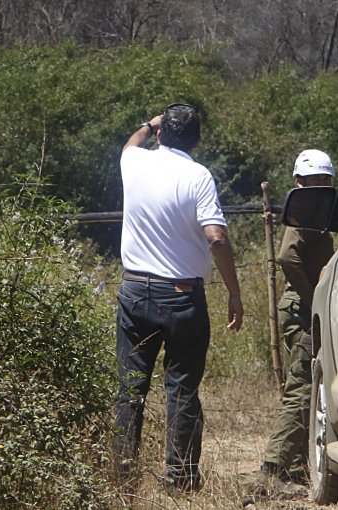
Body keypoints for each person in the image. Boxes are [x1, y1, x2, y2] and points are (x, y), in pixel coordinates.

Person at [114, 103, 244, 493]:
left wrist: (148, 122)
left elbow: (129, 143)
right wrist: (234, 294)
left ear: (159, 134)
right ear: (197, 140)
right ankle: (180, 480)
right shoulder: (198, 176)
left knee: (131, 387)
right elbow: (216, 238)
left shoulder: (134, 163)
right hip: (182, 298)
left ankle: (122, 476)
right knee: (182, 389)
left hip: (135, 292)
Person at [258, 149, 336, 486]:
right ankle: (272, 468)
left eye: (325, 180)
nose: (319, 185)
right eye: (313, 180)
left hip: (303, 310)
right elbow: (287, 257)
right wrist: (313, 297)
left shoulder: (316, 213)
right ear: (299, 183)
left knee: (304, 385)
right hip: (301, 312)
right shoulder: (302, 215)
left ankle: (296, 464)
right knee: (303, 388)